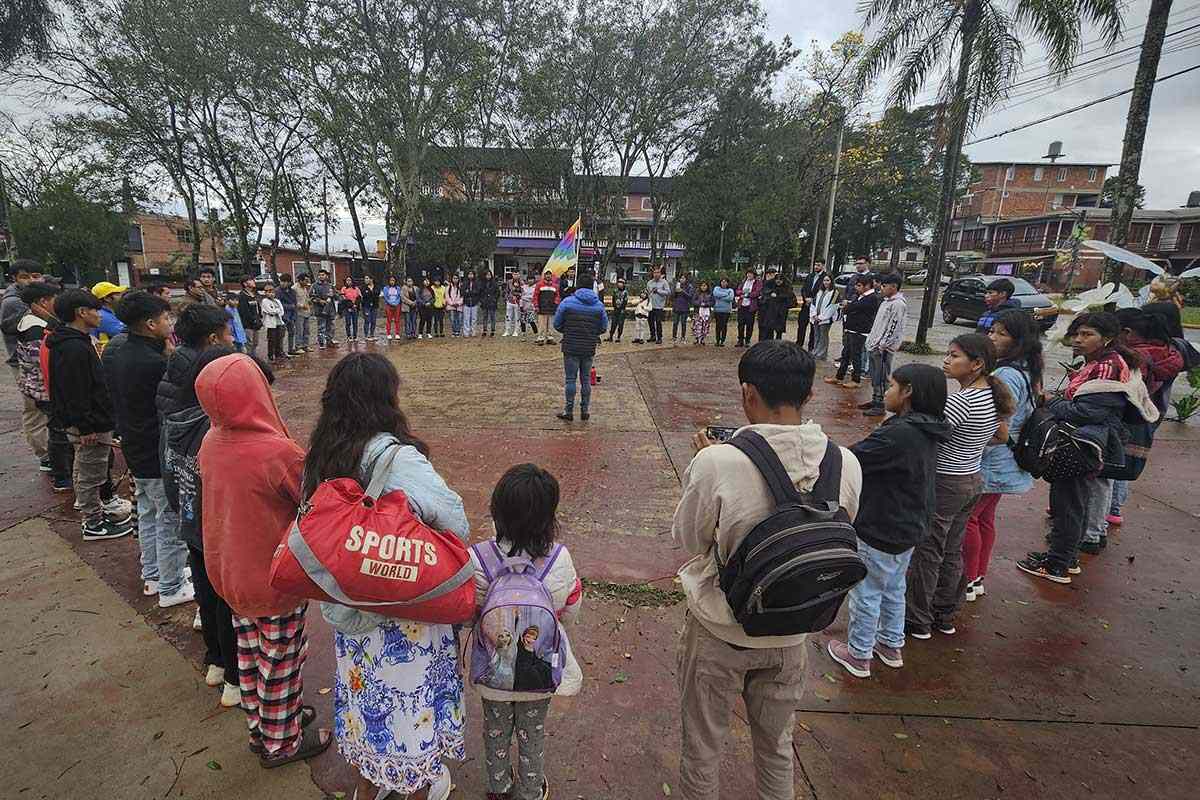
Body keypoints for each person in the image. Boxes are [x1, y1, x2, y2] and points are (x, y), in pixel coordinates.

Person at [672, 341, 862, 800]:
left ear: (747, 393)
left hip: (721, 630)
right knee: (777, 747)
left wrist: (703, 463)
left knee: (703, 748)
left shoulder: (718, 460)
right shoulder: (845, 462)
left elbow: (690, 540)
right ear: (809, 394)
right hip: (792, 634)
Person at [309, 353, 464, 800]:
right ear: (385, 398)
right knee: (409, 702)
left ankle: (369, 785)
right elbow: (455, 521)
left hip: (350, 605)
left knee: (367, 698)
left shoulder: (322, 455)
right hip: (403, 607)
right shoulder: (399, 459)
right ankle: (417, 786)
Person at [196, 353, 332, 766]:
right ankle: (280, 743)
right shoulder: (277, 452)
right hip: (272, 578)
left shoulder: (211, 441)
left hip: (230, 573)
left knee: (252, 656)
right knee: (281, 662)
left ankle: (267, 724)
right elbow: (313, 501)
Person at [826, 364, 951, 678]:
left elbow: (852, 458)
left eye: (892, 385)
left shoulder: (900, 433)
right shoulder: (928, 427)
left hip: (881, 525)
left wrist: (819, 447)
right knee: (894, 587)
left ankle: (858, 654)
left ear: (908, 392)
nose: (886, 391)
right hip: (909, 523)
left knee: (866, 592)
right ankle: (891, 645)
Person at [468, 464, 582, 800]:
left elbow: (471, 612)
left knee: (496, 731)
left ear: (497, 511)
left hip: (493, 673)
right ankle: (531, 790)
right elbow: (570, 610)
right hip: (539, 673)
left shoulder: (478, 558)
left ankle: (499, 788)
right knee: (532, 734)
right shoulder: (560, 558)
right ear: (550, 518)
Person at [1017, 314, 1158, 584]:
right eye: (1077, 334)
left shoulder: (1107, 369)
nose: (1078, 340)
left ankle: (1056, 566)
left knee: (1068, 505)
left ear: (1107, 338)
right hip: (1086, 443)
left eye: (1087, 334)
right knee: (1075, 503)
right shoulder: (1102, 362)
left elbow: (1086, 412)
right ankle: (1066, 558)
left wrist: (1050, 401)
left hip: (1081, 446)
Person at [905, 334, 1011, 637]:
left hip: (945, 482)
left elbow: (928, 438)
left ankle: (917, 619)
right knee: (952, 550)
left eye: (954, 355)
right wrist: (969, 446)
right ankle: (945, 614)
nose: (946, 360)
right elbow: (1001, 436)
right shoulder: (991, 394)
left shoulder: (961, 401)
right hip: (971, 479)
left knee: (928, 551)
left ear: (976, 364)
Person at [163, 344, 242, 708]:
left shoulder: (175, 421)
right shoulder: (215, 431)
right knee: (226, 604)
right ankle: (233, 679)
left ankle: (214, 660)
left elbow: (169, 476)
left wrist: (184, 513)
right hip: (217, 531)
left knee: (206, 596)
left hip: (191, 523)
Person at [108, 290, 195, 608]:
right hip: (155, 448)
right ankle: (171, 586)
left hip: (135, 445)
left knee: (147, 511)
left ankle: (154, 574)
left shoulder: (120, 351)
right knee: (170, 517)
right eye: (165, 318)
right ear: (149, 323)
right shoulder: (153, 362)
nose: (169, 323)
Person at [961, 310, 1041, 600]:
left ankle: (968, 578)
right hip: (1006, 459)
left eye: (1001, 333)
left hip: (994, 457)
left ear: (1019, 340)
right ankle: (977, 576)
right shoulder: (1027, 370)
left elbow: (999, 424)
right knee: (984, 518)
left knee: (968, 519)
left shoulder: (1005, 374)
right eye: (992, 331)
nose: (992, 337)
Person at [16, 282, 72, 491]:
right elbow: (42, 360)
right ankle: (61, 475)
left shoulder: (39, 322)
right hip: (44, 387)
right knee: (58, 431)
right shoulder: (34, 328)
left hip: (41, 385)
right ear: (43, 302)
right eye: (55, 299)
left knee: (56, 429)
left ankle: (59, 467)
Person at [4, 260, 50, 471]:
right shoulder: (14, 303)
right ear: (14, 278)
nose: (32, 280)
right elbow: (15, 329)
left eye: (36, 275)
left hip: (37, 359)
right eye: (26, 276)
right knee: (34, 409)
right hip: (26, 363)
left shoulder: (35, 295)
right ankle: (45, 455)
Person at [553, 274, 607, 422]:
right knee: (586, 379)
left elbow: (556, 324)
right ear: (591, 287)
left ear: (578, 286)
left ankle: (569, 411)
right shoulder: (599, 305)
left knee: (570, 379)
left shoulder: (567, 302)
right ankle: (585, 411)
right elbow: (603, 327)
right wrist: (592, 333)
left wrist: (567, 331)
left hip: (570, 345)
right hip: (589, 346)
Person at [861, 273, 907, 417]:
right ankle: (875, 399)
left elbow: (894, 327)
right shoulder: (886, 302)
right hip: (874, 344)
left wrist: (883, 344)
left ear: (893, 287)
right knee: (875, 375)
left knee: (881, 376)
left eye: (884, 286)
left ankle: (880, 404)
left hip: (883, 348)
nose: (881, 288)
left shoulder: (898, 304)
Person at [825, 275, 879, 388]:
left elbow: (853, 307)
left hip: (859, 331)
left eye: (859, 285)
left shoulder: (872, 298)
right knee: (845, 354)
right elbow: (849, 308)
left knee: (856, 356)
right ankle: (839, 376)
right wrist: (849, 307)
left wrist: (849, 306)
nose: (856, 288)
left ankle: (856, 380)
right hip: (851, 329)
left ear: (867, 286)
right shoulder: (859, 296)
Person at [90, 281, 128, 354]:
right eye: (117, 294)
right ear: (107, 299)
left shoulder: (109, 313)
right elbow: (129, 335)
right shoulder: (103, 316)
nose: (121, 297)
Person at [797, 259, 827, 347]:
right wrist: (805, 298)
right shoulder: (810, 276)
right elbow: (803, 289)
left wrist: (813, 300)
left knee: (813, 328)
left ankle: (811, 347)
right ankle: (799, 344)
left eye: (818, 265)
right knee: (801, 326)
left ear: (823, 266)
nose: (816, 267)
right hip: (806, 306)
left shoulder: (825, 277)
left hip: (816, 308)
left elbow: (825, 292)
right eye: (815, 265)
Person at [757, 268, 793, 342]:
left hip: (781, 313)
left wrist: (778, 297)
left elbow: (790, 300)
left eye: (780, 280)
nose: (778, 281)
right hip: (770, 312)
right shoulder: (770, 286)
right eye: (777, 279)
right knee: (769, 330)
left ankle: (778, 344)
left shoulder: (787, 288)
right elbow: (764, 296)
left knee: (779, 331)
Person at [809, 273, 838, 360]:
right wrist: (814, 314)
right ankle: (815, 351)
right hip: (816, 318)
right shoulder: (820, 291)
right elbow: (813, 304)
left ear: (831, 281)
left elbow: (832, 307)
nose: (826, 282)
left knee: (823, 336)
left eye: (828, 280)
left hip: (825, 319)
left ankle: (821, 354)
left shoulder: (834, 293)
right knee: (816, 335)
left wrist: (821, 317)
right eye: (824, 280)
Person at [733, 268, 761, 348]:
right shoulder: (743, 282)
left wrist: (748, 295)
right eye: (748, 273)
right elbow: (737, 290)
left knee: (749, 324)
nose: (749, 275)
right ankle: (740, 340)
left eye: (751, 273)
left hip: (750, 306)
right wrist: (742, 293)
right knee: (740, 324)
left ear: (754, 274)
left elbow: (757, 293)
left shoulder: (757, 283)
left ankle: (747, 340)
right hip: (742, 305)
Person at [260, 283, 287, 361]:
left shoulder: (277, 301)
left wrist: (276, 311)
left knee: (279, 338)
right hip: (271, 324)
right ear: (265, 293)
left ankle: (278, 353)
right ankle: (270, 354)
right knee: (272, 339)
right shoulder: (265, 301)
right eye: (268, 292)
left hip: (279, 322)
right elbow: (270, 311)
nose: (271, 294)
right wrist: (277, 311)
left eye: (272, 292)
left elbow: (282, 311)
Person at [312, 269, 338, 348]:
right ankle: (321, 343)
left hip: (330, 310)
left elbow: (337, 296)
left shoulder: (330, 285)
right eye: (319, 275)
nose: (321, 276)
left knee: (331, 327)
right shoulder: (315, 285)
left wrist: (333, 294)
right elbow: (311, 297)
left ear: (326, 276)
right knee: (321, 327)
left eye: (323, 275)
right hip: (320, 310)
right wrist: (320, 301)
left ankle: (329, 341)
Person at [237, 278, 263, 355]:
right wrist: (253, 320)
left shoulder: (253, 294)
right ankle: (249, 359)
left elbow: (258, 307)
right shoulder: (242, 296)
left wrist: (259, 318)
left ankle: (254, 358)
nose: (253, 281)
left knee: (255, 343)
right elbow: (244, 312)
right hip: (248, 325)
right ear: (245, 284)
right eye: (250, 280)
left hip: (256, 324)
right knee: (249, 344)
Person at [534, 270, 560, 345]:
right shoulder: (539, 284)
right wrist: (536, 305)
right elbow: (535, 296)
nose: (548, 276)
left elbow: (557, 296)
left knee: (551, 324)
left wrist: (556, 302)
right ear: (544, 275)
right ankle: (540, 338)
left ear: (551, 276)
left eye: (549, 274)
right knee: (541, 324)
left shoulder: (555, 286)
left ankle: (550, 338)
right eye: (546, 274)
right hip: (542, 307)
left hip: (552, 308)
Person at [277, 273, 299, 355]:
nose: (282, 283)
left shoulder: (292, 291)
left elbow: (295, 304)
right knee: (281, 335)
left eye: (284, 282)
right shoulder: (277, 291)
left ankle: (291, 349)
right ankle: (280, 351)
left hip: (291, 316)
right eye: (281, 281)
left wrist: (294, 316)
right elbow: (278, 304)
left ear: (289, 282)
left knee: (292, 332)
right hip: (282, 316)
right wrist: (290, 306)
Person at [647, 267, 670, 345]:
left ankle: (659, 337)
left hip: (659, 306)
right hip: (650, 306)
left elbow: (668, 292)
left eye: (658, 272)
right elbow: (648, 293)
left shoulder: (664, 282)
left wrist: (658, 291)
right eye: (655, 273)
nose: (656, 274)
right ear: (653, 274)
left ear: (660, 274)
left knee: (658, 322)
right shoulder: (649, 282)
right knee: (650, 321)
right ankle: (652, 336)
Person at [711, 277, 734, 347]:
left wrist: (720, 297)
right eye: (722, 281)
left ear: (727, 283)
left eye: (725, 281)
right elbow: (715, 294)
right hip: (717, 310)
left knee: (724, 325)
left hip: (726, 311)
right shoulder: (716, 288)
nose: (723, 283)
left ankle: (722, 341)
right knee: (718, 325)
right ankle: (717, 340)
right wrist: (726, 294)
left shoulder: (730, 290)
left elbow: (730, 298)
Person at [671, 273, 695, 342]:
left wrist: (682, 291)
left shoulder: (689, 286)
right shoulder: (677, 285)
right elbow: (672, 296)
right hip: (676, 307)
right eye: (681, 278)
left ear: (686, 279)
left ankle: (683, 336)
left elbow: (690, 296)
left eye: (683, 278)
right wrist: (675, 291)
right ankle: (674, 336)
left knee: (683, 323)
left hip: (685, 308)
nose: (682, 279)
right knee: (675, 323)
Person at [294, 273, 312, 353]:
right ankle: (298, 347)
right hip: (299, 313)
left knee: (307, 330)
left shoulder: (305, 288)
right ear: (300, 280)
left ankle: (306, 345)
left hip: (306, 312)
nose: (307, 282)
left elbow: (306, 298)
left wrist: (309, 301)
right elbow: (293, 301)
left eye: (307, 280)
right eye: (305, 280)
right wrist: (301, 306)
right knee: (299, 331)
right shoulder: (294, 288)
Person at [479, 270, 501, 336]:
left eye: (489, 275)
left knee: (492, 317)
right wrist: (482, 300)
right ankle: (484, 330)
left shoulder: (494, 283)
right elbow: (480, 293)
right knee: (485, 317)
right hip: (484, 303)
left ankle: (492, 330)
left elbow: (498, 292)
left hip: (492, 303)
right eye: (487, 275)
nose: (488, 276)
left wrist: (494, 299)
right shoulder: (482, 283)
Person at [607, 278, 629, 342]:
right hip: (615, 309)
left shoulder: (625, 292)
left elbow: (625, 302)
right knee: (613, 324)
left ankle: (618, 337)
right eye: (619, 282)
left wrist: (622, 308)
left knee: (620, 324)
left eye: (621, 283)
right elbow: (613, 299)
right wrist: (614, 307)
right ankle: (611, 336)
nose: (620, 284)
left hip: (622, 310)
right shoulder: (615, 291)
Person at [692, 280, 713, 345]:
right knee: (697, 326)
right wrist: (699, 303)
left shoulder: (710, 293)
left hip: (707, 312)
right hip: (698, 312)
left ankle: (702, 339)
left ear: (707, 286)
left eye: (705, 286)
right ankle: (697, 338)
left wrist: (706, 304)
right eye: (702, 286)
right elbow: (693, 301)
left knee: (705, 326)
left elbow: (713, 302)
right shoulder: (697, 293)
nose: (703, 287)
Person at [340, 276, 361, 341]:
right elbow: (343, 298)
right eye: (347, 280)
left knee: (355, 322)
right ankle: (349, 336)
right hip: (347, 308)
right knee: (348, 322)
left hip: (355, 307)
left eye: (350, 280)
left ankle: (355, 336)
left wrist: (355, 305)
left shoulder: (356, 288)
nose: (348, 282)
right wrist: (350, 305)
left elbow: (359, 297)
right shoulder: (343, 289)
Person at [382, 275, 404, 340]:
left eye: (393, 280)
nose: (392, 282)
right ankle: (388, 333)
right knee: (389, 320)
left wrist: (396, 303)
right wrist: (391, 303)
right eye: (391, 280)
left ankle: (397, 333)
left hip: (397, 305)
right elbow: (385, 297)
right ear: (388, 281)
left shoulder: (398, 288)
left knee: (397, 320)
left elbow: (399, 297)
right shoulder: (385, 288)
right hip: (388, 305)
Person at [360, 275, 380, 342]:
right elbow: (364, 295)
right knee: (367, 320)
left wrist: (371, 292)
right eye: (365, 278)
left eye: (367, 278)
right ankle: (366, 335)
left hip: (374, 306)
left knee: (373, 321)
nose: (365, 280)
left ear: (371, 279)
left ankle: (372, 334)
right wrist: (371, 292)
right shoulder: (363, 287)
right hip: (366, 306)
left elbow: (377, 294)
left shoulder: (376, 287)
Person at [461, 271, 480, 337]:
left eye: (472, 274)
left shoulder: (477, 283)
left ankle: (473, 332)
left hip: (474, 302)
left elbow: (477, 292)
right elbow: (463, 292)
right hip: (466, 302)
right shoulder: (465, 283)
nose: (470, 275)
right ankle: (466, 332)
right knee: (466, 318)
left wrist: (469, 292)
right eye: (469, 274)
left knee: (474, 318)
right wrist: (470, 292)